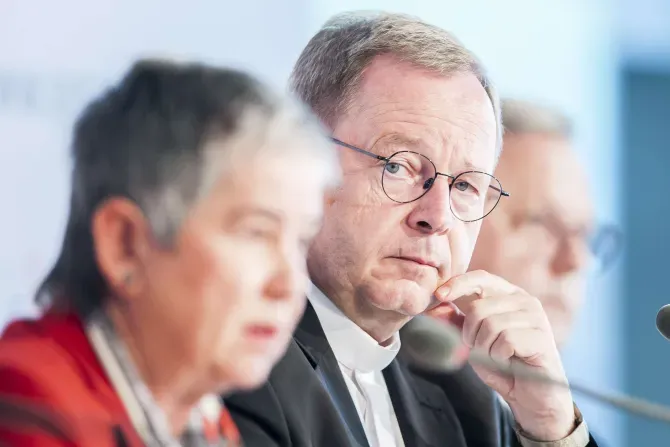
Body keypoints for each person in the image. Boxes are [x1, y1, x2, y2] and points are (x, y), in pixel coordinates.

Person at [225, 11, 598, 447]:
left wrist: (549, 426)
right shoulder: (231, 360)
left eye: (464, 185)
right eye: (399, 165)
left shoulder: (461, 390)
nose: (436, 217)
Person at [0, 59, 339, 446]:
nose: (290, 284)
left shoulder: (205, 421)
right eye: (256, 233)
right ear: (125, 246)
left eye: (300, 241)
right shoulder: (25, 406)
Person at [403, 99, 621, 445]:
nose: (575, 261)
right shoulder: (371, 388)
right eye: (543, 224)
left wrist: (553, 433)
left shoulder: (564, 425)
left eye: (583, 235)